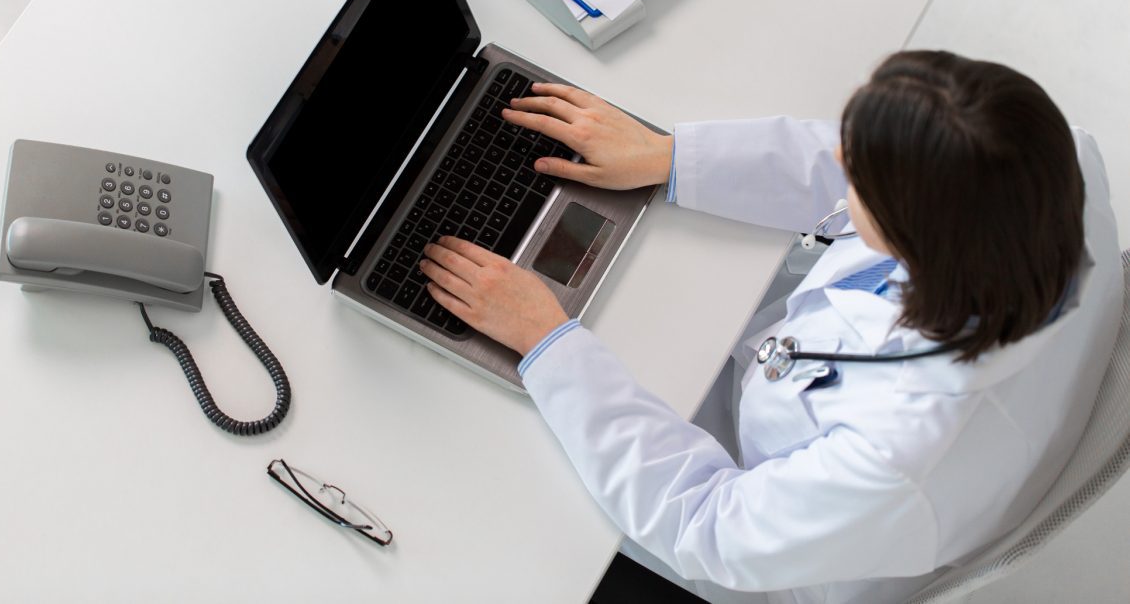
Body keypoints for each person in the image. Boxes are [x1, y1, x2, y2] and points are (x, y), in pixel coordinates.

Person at [418, 51, 1122, 603]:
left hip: (763, 544)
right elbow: (888, 160)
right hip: (783, 414)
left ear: (915, 239)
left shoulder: (895, 449)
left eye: (858, 179)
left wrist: (549, 345)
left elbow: (709, 526)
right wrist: (671, 158)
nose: (836, 164)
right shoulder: (1056, 165)